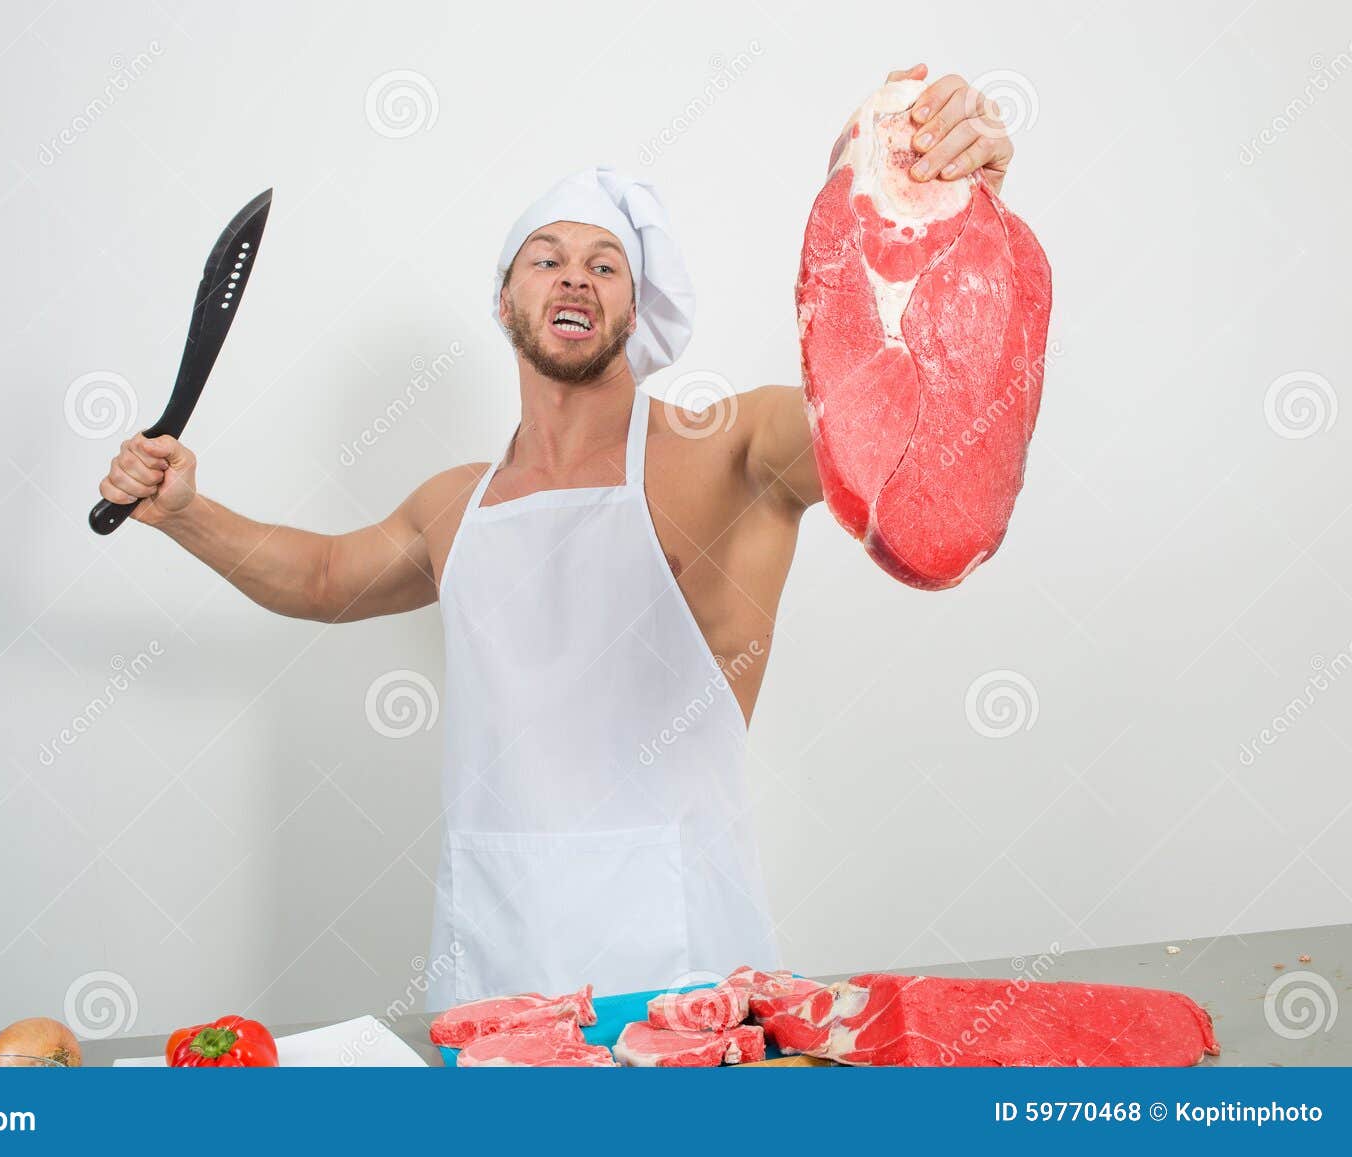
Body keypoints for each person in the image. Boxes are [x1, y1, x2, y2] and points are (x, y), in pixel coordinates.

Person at [96, 65, 1017, 1010]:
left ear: (633, 309)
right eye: (544, 257)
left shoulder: (731, 449)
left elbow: (884, 419)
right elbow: (326, 576)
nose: (574, 272)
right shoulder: (453, 506)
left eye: (604, 263)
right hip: (498, 969)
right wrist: (183, 512)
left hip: (689, 981)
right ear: (506, 303)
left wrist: (921, 208)